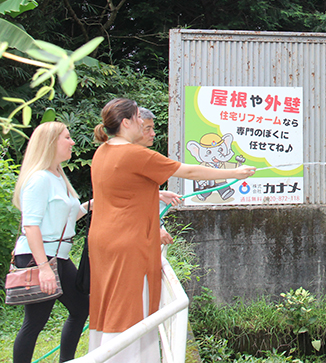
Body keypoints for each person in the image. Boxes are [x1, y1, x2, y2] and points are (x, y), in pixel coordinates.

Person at [88, 98, 256, 362]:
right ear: (126, 123)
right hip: (128, 241)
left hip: (103, 238)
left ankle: (102, 355)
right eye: (137, 118)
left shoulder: (103, 151)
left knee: (110, 303)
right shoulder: (135, 154)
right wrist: (235, 172)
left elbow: (123, 188)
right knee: (130, 307)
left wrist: (155, 192)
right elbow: (188, 171)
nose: (144, 125)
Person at [12, 122, 89, 363]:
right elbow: (30, 225)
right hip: (38, 258)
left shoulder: (59, 177)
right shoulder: (39, 179)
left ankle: (67, 360)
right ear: (51, 142)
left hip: (59, 258)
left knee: (80, 309)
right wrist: (44, 267)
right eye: (67, 137)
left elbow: (71, 214)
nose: (72, 142)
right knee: (35, 322)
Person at [136, 106, 174, 245]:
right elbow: (129, 204)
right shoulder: (134, 156)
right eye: (148, 129)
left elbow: (133, 193)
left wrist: (158, 194)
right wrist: (155, 228)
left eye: (153, 128)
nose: (153, 134)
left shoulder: (138, 155)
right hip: (136, 236)